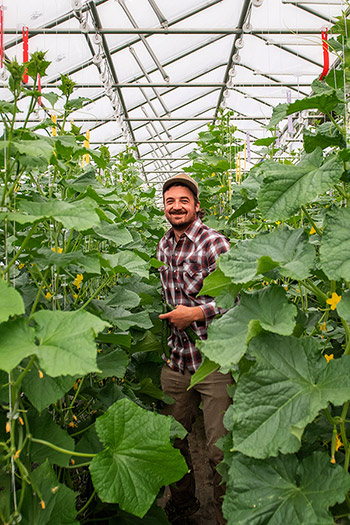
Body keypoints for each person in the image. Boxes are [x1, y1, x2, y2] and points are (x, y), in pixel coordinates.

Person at [157, 173, 233, 525]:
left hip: (214, 359)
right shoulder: (164, 245)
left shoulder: (214, 243)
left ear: (196, 206)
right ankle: (184, 503)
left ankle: (224, 514)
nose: (177, 206)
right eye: (170, 201)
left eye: (183, 201)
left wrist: (198, 312)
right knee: (172, 439)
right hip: (176, 359)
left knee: (220, 448)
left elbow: (235, 296)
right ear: (164, 207)